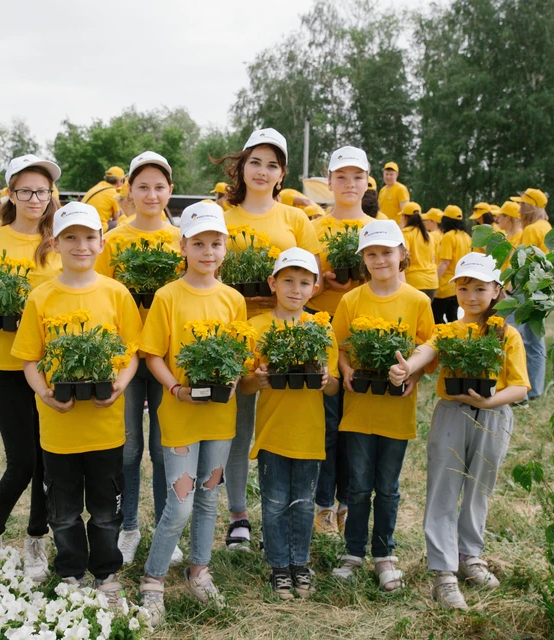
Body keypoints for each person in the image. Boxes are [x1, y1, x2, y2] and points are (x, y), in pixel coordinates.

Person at [11, 201, 141, 598]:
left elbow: (132, 352)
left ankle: (106, 572)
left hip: (105, 426)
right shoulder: (41, 297)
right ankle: (70, 570)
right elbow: (30, 360)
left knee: (106, 511)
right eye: (71, 237)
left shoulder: (117, 294)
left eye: (89, 237)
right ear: (55, 242)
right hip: (58, 429)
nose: (80, 245)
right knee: (63, 512)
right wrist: (45, 394)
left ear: (102, 242)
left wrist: (118, 384)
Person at [389, 253, 529, 610]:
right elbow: (427, 350)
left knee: (479, 488)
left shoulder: (507, 334)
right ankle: (443, 573)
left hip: (494, 415)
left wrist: (489, 402)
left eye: (480, 288)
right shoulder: (449, 330)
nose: (470, 296)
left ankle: (470, 557)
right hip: (451, 412)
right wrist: (408, 368)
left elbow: (520, 387)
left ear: (497, 290)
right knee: (443, 488)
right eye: (464, 287)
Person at [136, 202, 247, 626]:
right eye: (198, 243)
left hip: (219, 416)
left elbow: (238, 352)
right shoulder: (168, 296)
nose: (207, 251)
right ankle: (153, 579)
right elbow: (153, 355)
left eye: (215, 243)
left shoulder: (233, 299)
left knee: (208, 498)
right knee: (179, 505)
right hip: (181, 414)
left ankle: (199, 570)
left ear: (225, 248)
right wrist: (177, 387)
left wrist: (233, 376)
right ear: (183, 246)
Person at [217, 128, 321, 551]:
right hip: (234, 330)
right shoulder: (221, 213)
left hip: (287, 335)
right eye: (255, 161)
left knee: (281, 428)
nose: (262, 171)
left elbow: (312, 277)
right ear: (242, 166)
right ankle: (239, 514)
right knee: (239, 428)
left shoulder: (295, 219)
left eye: (272, 165)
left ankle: (281, 514)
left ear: (282, 175)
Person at [0, 155, 63, 582]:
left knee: (47, 462)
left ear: (51, 194)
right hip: (7, 364)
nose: (34, 198)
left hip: (52, 367)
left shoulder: (59, 241)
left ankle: (35, 540)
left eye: (42, 191)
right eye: (25, 190)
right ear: (10, 193)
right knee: (21, 461)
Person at [331, 219, 434, 593]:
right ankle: (353, 552)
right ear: (363, 259)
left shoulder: (418, 301)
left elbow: (428, 349)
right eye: (371, 254)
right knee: (358, 486)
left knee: (388, 488)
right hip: (359, 409)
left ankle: (384, 555)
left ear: (403, 255)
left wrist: (412, 375)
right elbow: (339, 347)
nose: (380, 260)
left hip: (396, 411)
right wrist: (345, 371)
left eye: (387, 252)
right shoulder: (352, 300)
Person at [95, 152, 184, 567]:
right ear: (129, 189)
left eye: (159, 186)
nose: (151, 194)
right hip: (127, 357)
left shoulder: (181, 239)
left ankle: (168, 528)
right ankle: (128, 527)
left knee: (166, 449)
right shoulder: (113, 241)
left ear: (170, 191)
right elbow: (100, 296)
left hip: (168, 356)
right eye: (143, 186)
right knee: (129, 448)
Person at [240, 247, 340, 599]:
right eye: (288, 281)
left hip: (310, 432)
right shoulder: (257, 327)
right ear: (273, 283)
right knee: (274, 501)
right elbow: (246, 384)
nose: (295, 289)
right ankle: (279, 567)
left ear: (314, 288)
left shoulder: (321, 328)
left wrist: (327, 378)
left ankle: (301, 564)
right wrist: (259, 378)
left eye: (303, 282)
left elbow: (333, 388)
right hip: (272, 430)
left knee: (303, 502)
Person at [306, 146, 385, 536]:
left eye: (357, 177)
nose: (349, 184)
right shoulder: (315, 228)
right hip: (323, 334)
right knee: (328, 424)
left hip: (365, 340)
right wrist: (325, 282)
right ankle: (322, 506)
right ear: (329, 180)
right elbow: (302, 286)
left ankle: (345, 504)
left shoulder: (379, 225)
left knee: (356, 429)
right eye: (341, 177)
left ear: (367, 180)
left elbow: (391, 279)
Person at [511, 188, 552, 403]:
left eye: (522, 205)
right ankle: (534, 389)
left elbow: (521, 264)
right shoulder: (546, 227)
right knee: (536, 340)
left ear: (531, 207)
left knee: (514, 335)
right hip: (543, 286)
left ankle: (517, 388)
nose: (519, 210)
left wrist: (510, 288)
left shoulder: (532, 230)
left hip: (527, 286)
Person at [432, 205, 472, 324]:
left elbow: (445, 262)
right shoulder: (466, 237)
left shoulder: (448, 237)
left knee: (436, 317)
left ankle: (443, 340)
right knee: (453, 318)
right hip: (459, 284)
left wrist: (435, 280)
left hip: (445, 286)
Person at [401, 202, 438, 299]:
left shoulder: (405, 233)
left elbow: (404, 255)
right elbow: (434, 258)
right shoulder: (429, 235)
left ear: (404, 217)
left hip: (414, 282)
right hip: (432, 282)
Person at [81, 166, 125, 232]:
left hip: (82, 223)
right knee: (122, 222)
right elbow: (116, 217)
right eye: (123, 181)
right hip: (98, 227)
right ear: (119, 182)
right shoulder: (114, 192)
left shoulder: (99, 186)